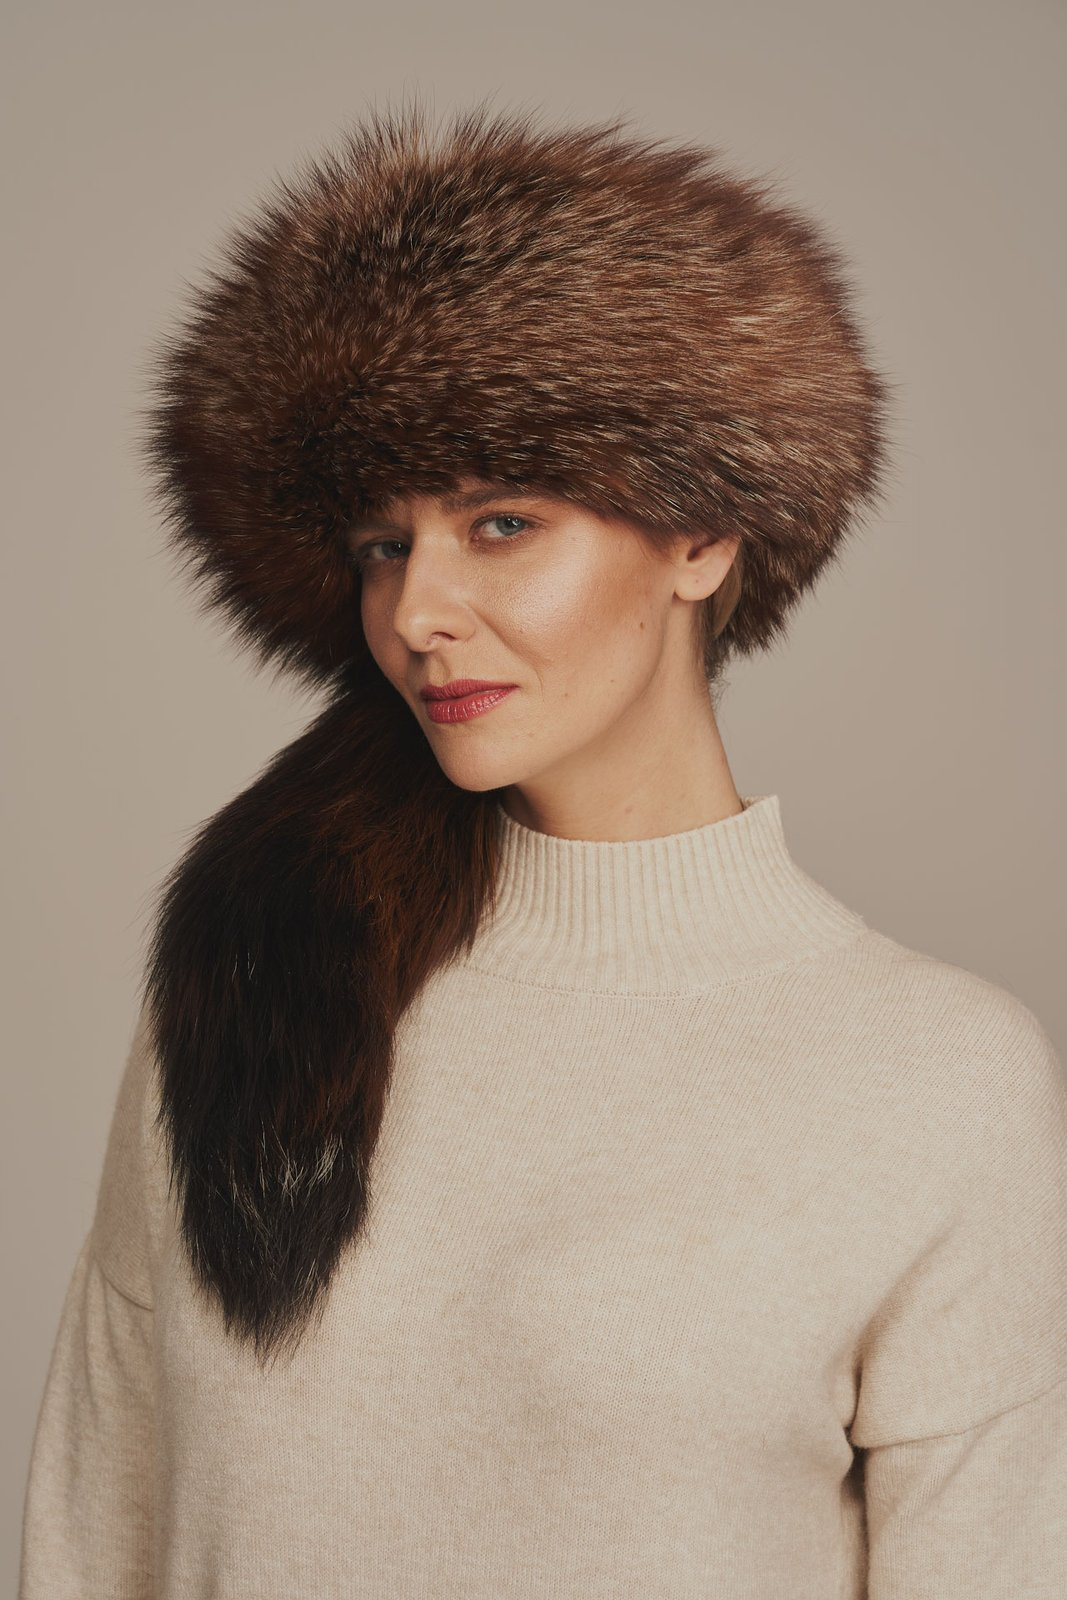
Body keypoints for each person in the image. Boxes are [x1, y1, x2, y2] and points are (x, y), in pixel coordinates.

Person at [19, 98, 1067, 1599]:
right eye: (383, 545)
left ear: (702, 535)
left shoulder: (936, 1081)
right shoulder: (262, 976)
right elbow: (92, 1532)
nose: (416, 612)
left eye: (501, 523)